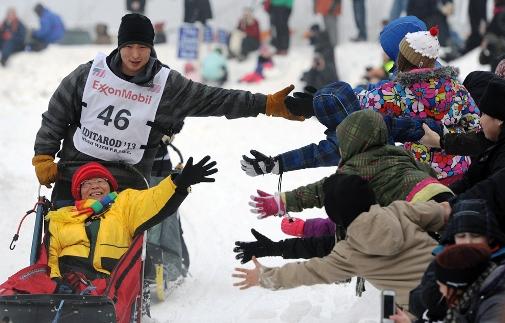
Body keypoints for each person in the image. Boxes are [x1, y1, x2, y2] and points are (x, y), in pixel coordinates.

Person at [32, 13, 304, 201]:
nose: (135, 55)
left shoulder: (167, 85)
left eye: (143, 46)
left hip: (129, 180)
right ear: (119, 46)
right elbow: (56, 115)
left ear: (151, 47)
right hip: (75, 173)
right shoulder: (89, 74)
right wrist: (44, 156)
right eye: (129, 46)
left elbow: (216, 98)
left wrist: (266, 104)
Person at [233, 174, 451, 309]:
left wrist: (264, 277)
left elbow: (306, 272)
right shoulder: (401, 210)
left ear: (337, 218)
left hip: (426, 308)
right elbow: (445, 211)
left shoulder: (349, 253)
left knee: (392, 305)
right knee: (389, 300)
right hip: (457, 276)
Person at [47, 158, 217, 293]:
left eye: (100, 181)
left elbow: (154, 199)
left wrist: (178, 183)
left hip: (111, 281)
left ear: (111, 186)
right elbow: (50, 253)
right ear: (78, 193)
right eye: (87, 184)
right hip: (68, 281)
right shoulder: (62, 216)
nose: (95, 186)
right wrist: (54, 282)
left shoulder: (124, 204)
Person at [355, 27, 480, 185]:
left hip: (418, 174)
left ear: (405, 59)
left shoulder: (398, 92)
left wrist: (353, 91)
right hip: (458, 170)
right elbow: (475, 124)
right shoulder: (456, 87)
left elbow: (364, 103)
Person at [408, 199, 505, 321]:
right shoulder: (445, 260)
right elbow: (416, 301)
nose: (468, 242)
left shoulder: (500, 264)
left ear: (490, 238)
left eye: (475, 236)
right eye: (461, 236)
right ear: (453, 239)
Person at [391, 244, 505, 323]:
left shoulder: (494, 308)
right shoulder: (470, 300)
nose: (440, 290)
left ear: (456, 285)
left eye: (441, 285)